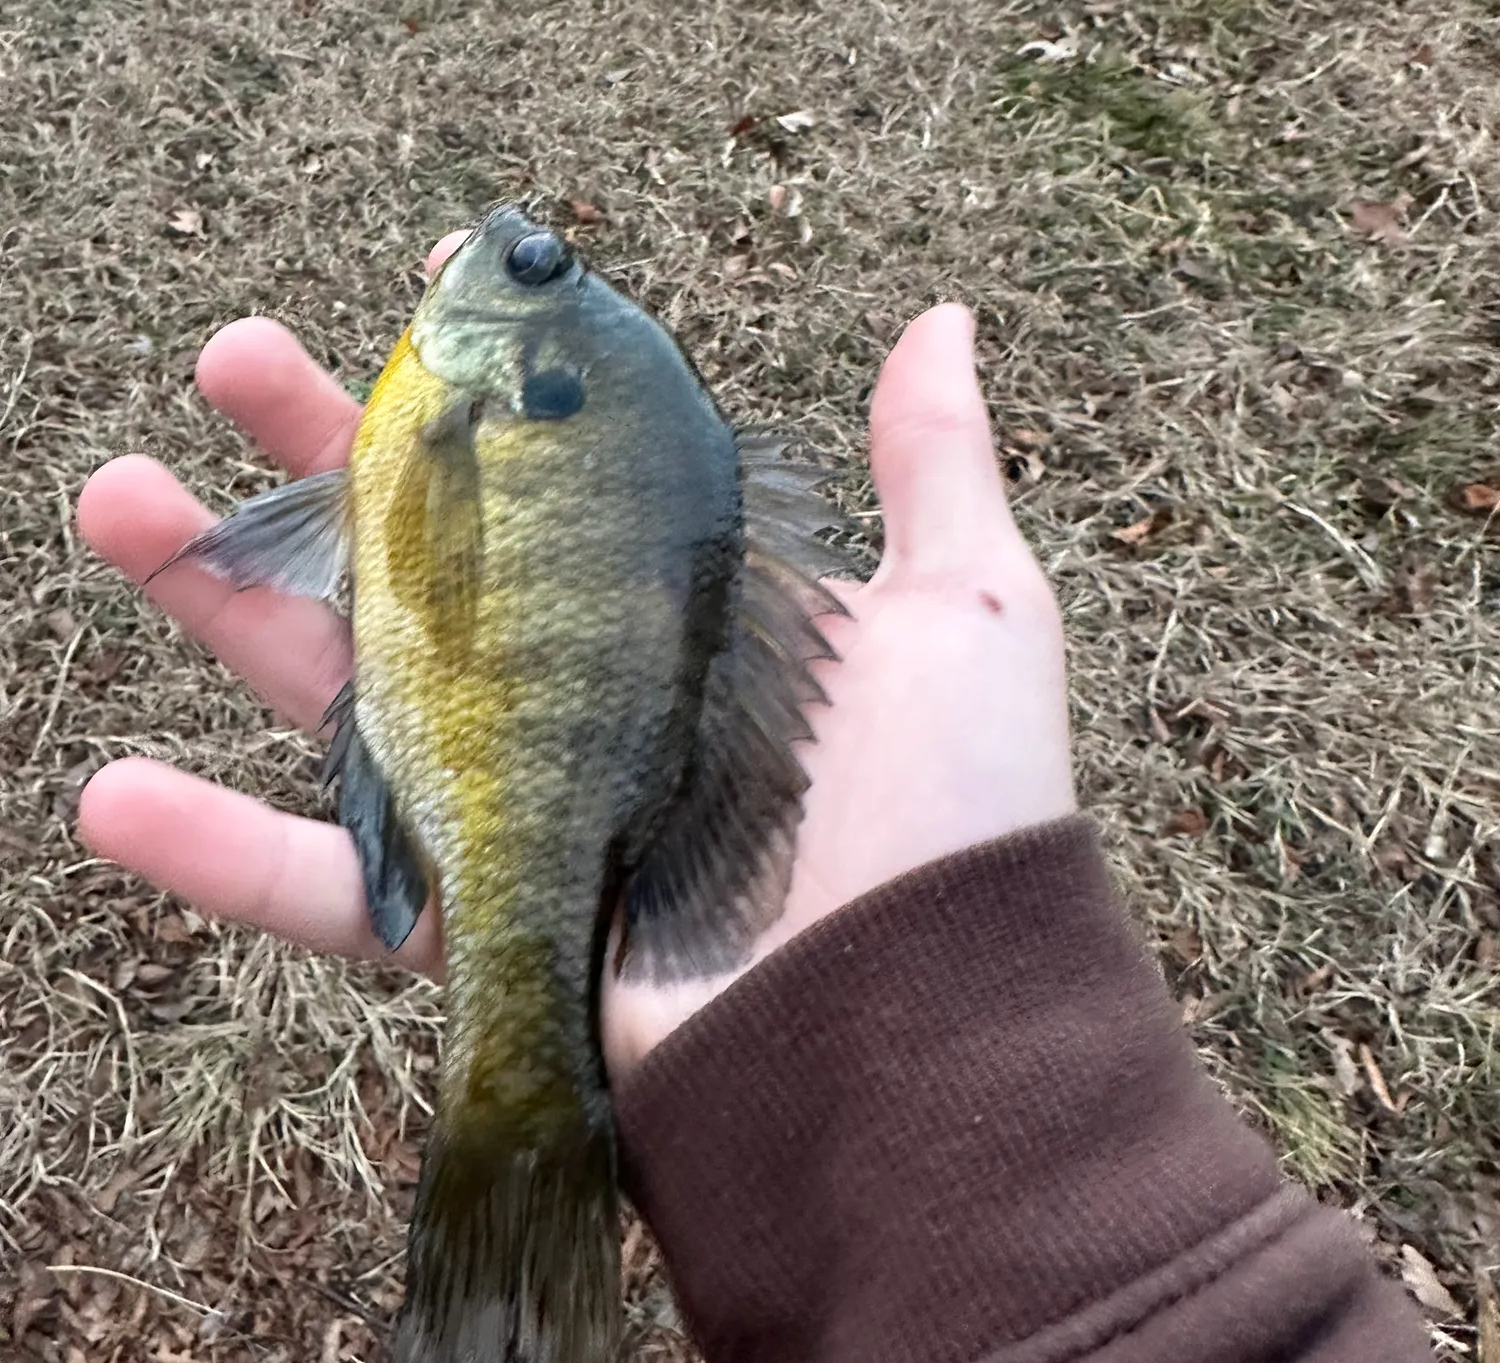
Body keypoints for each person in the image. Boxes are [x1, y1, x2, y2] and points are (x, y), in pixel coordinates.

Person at [76, 231, 1436, 1362]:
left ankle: (519, 1165)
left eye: (537, 265)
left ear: (532, 369)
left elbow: (346, 534)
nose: (517, 249)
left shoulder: (437, 424)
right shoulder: (469, 421)